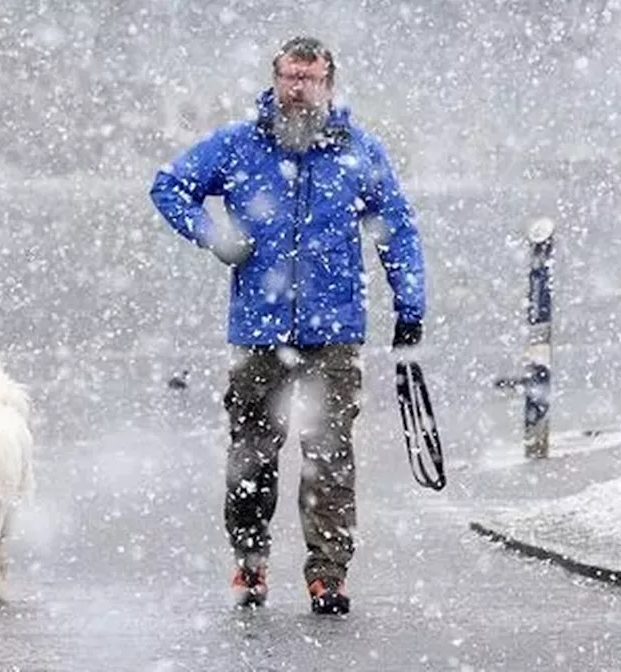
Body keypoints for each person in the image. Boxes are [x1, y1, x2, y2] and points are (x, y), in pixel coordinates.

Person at [148, 36, 426, 615]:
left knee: (329, 454)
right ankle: (250, 563)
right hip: (258, 331)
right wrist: (214, 235)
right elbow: (168, 186)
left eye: (310, 78)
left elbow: (395, 229)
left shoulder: (358, 152)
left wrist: (410, 307)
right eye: (289, 77)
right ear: (275, 79)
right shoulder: (239, 145)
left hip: (334, 331)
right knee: (252, 452)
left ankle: (328, 574)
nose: (297, 89)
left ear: (329, 84)